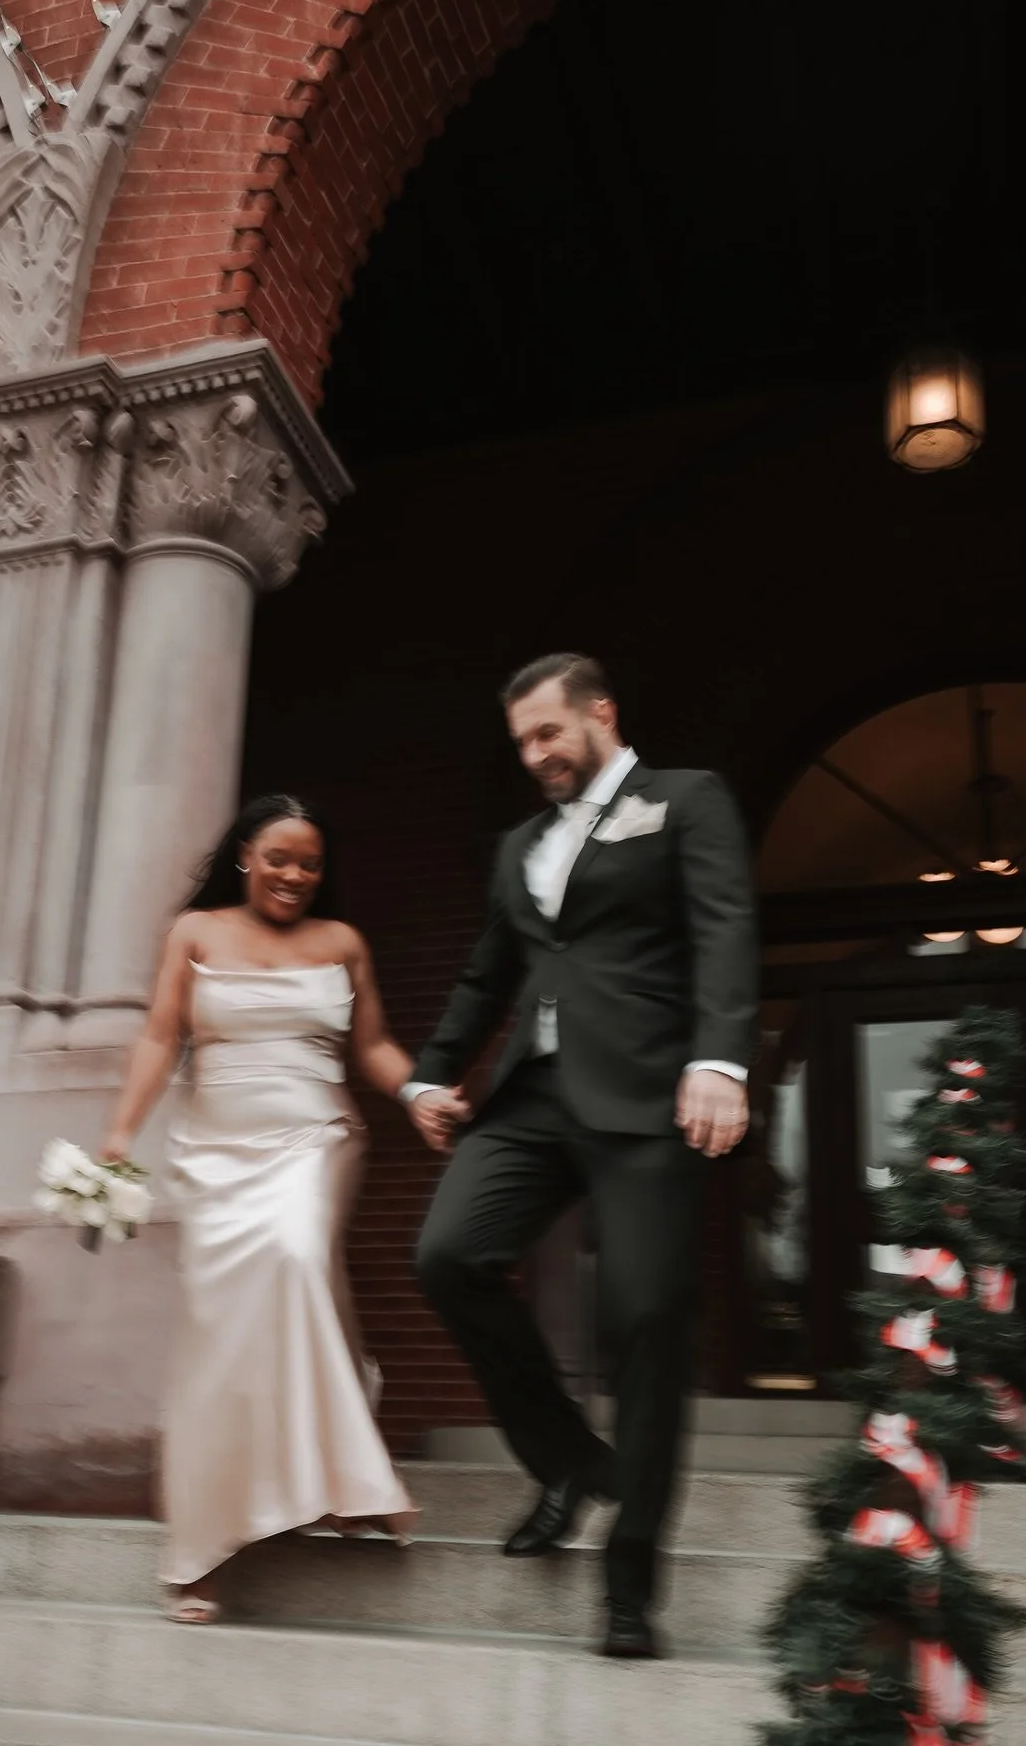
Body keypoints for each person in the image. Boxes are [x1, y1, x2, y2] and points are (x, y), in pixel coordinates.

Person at [405, 653, 756, 1659]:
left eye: (550, 733)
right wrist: (431, 1075)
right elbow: (488, 973)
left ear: (601, 713)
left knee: (645, 1322)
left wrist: (721, 1059)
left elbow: (727, 927)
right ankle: (565, 1458)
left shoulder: (685, 801)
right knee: (450, 1256)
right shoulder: (521, 842)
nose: (537, 756)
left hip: (652, 1093)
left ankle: (630, 1582)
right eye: (522, 743)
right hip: (534, 1096)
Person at [102, 793, 416, 1625]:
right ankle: (200, 1550)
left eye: (310, 863)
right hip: (215, 1152)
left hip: (319, 1135)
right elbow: (160, 1037)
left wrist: (417, 1091)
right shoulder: (195, 933)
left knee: (296, 1255)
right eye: (280, 857)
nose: (295, 875)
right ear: (245, 854)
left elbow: (374, 1045)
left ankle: (344, 1470)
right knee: (221, 1332)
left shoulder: (342, 943)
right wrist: (120, 1134)